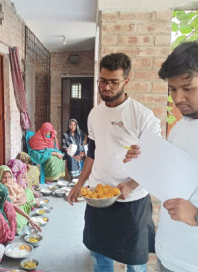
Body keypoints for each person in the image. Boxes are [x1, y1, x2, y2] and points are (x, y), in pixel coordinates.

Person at [68, 52, 161, 272]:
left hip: (132, 202)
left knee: (135, 264)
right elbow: (92, 152)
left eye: (113, 82)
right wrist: (79, 184)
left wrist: (130, 184)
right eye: (102, 81)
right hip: (98, 197)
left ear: (126, 81)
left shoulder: (142, 116)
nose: (106, 87)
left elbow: (155, 159)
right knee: (99, 256)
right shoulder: (94, 114)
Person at [124, 41, 198, 272]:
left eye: (188, 88)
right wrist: (142, 161)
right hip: (168, 254)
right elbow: (172, 178)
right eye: (173, 89)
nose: (178, 98)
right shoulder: (181, 126)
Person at [0, 165, 42, 234]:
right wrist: (21, 202)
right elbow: (9, 204)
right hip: (13, 207)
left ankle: (30, 204)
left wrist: (22, 199)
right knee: (17, 224)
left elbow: (21, 191)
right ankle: (30, 206)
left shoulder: (13, 183)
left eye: (9, 177)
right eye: (4, 177)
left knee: (28, 191)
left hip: (18, 203)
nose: (7, 180)